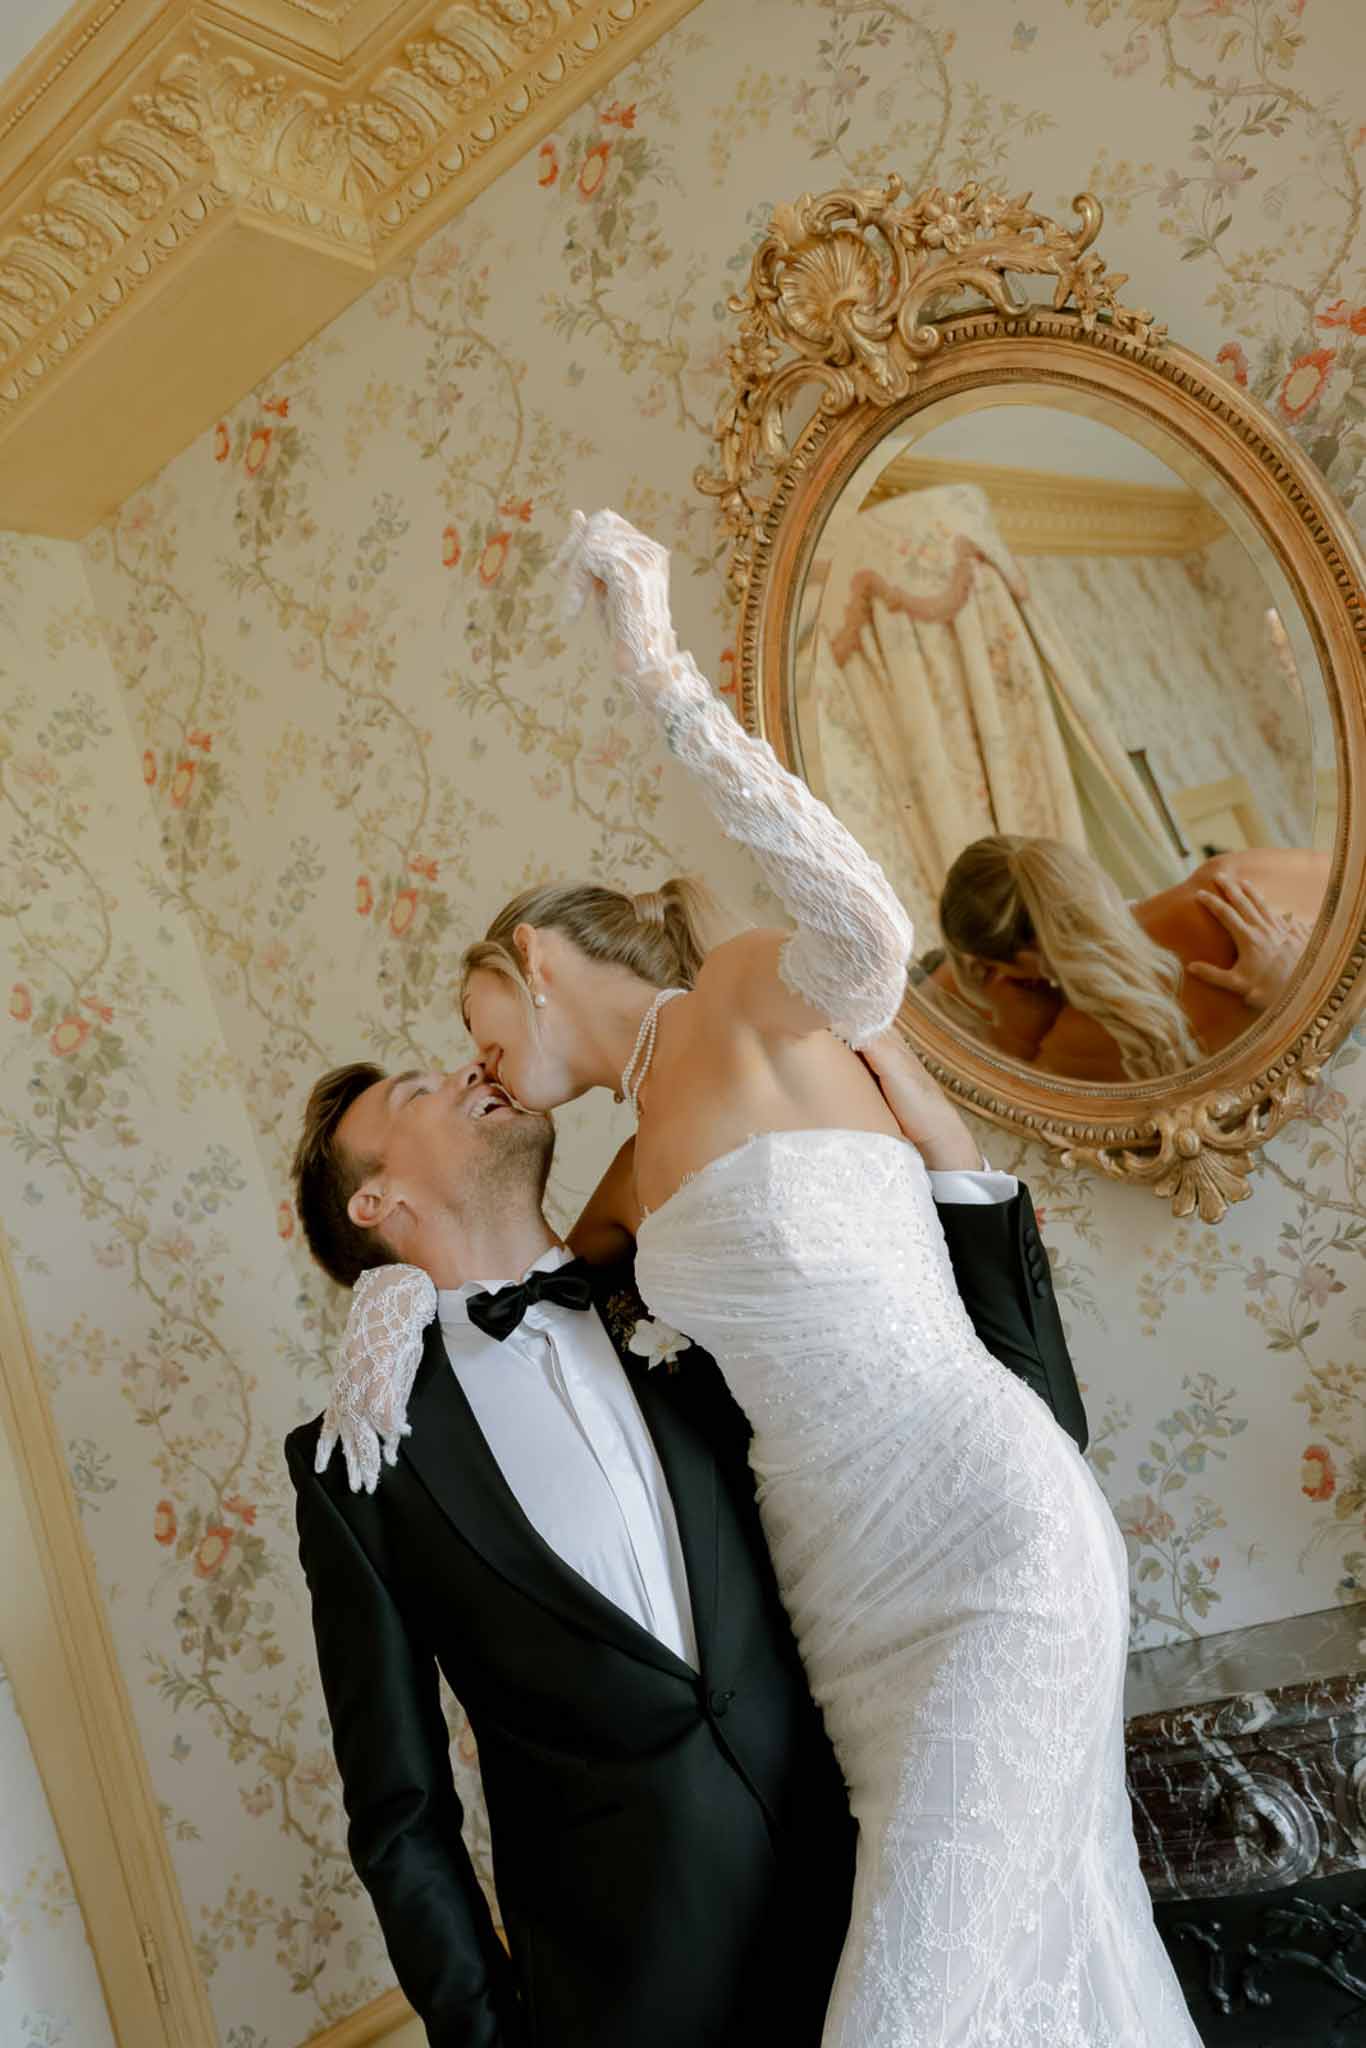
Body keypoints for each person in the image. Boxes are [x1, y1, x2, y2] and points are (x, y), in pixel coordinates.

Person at [446, 511, 1201, 2044]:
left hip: (986, 1545)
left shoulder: (736, 990)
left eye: (473, 1027)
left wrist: (656, 671)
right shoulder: (630, 1169)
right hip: (847, 1622)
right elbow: (520, 1283)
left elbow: (866, 921)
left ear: (530, 954)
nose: (475, 1063)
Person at [285, 1039, 1085, 2048]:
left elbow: (1019, 1437)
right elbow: (399, 1812)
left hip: (894, 1915)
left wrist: (951, 1156)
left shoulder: (693, 1287)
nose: (467, 1071)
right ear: (376, 1201)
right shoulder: (362, 1461)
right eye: (417, 1089)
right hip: (631, 2004)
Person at [936, 832, 1326, 1083]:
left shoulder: (1068, 1056)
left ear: (1015, 962)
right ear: (1080, 871)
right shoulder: (1230, 887)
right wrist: (1307, 984)